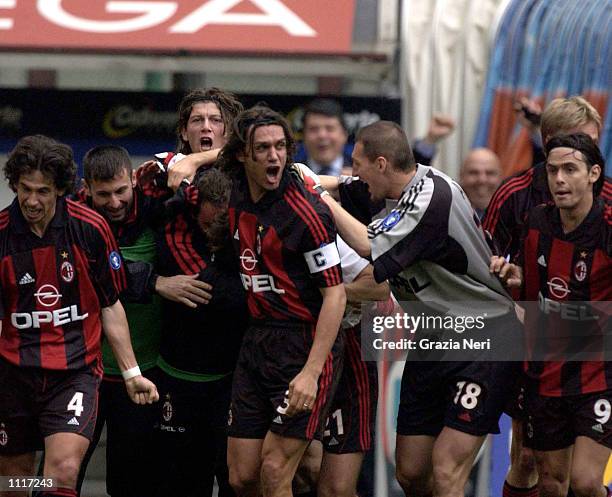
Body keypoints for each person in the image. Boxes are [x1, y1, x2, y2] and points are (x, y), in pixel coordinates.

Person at [318, 120, 521, 497]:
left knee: (446, 471)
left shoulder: (431, 197)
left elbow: (366, 243)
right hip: (432, 339)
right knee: (411, 472)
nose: (354, 175)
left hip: (482, 336)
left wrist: (322, 202)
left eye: (358, 166)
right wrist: (313, 180)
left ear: (381, 164)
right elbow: (347, 187)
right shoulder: (395, 187)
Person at [0, 135, 158, 497]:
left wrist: (132, 373)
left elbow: (110, 303)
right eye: (25, 189)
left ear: (60, 190)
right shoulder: (2, 237)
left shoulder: (89, 228)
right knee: (14, 481)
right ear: (14, 185)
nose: (32, 200)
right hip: (13, 374)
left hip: (74, 374)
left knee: (63, 472)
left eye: (43, 191)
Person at [482, 96, 612, 497]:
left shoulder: (607, 213)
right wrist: (511, 280)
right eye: (556, 165)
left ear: (593, 170)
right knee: (531, 465)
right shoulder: (521, 203)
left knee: (587, 481)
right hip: (538, 357)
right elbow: (491, 270)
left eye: (584, 149)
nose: (561, 178)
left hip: (598, 364)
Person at [218, 105, 346, 497]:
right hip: (257, 342)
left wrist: (310, 372)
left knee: (274, 471)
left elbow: (336, 295)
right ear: (243, 155)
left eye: (281, 147)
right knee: (242, 477)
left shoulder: (305, 214)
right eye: (263, 149)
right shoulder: (233, 191)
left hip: (304, 344)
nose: (274, 156)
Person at [75, 145, 211, 497]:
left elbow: (233, 160)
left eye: (121, 191)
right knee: (61, 473)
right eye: (103, 194)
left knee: (129, 483)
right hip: (81, 373)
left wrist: (192, 160)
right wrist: (156, 282)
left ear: (133, 181)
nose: (115, 202)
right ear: (86, 188)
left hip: (144, 374)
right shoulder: (73, 219)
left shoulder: (158, 209)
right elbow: (95, 276)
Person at [459, 148, 502, 219]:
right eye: (474, 172)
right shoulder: (447, 213)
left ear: (501, 177)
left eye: (490, 173)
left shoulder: (516, 215)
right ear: (461, 176)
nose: (482, 180)